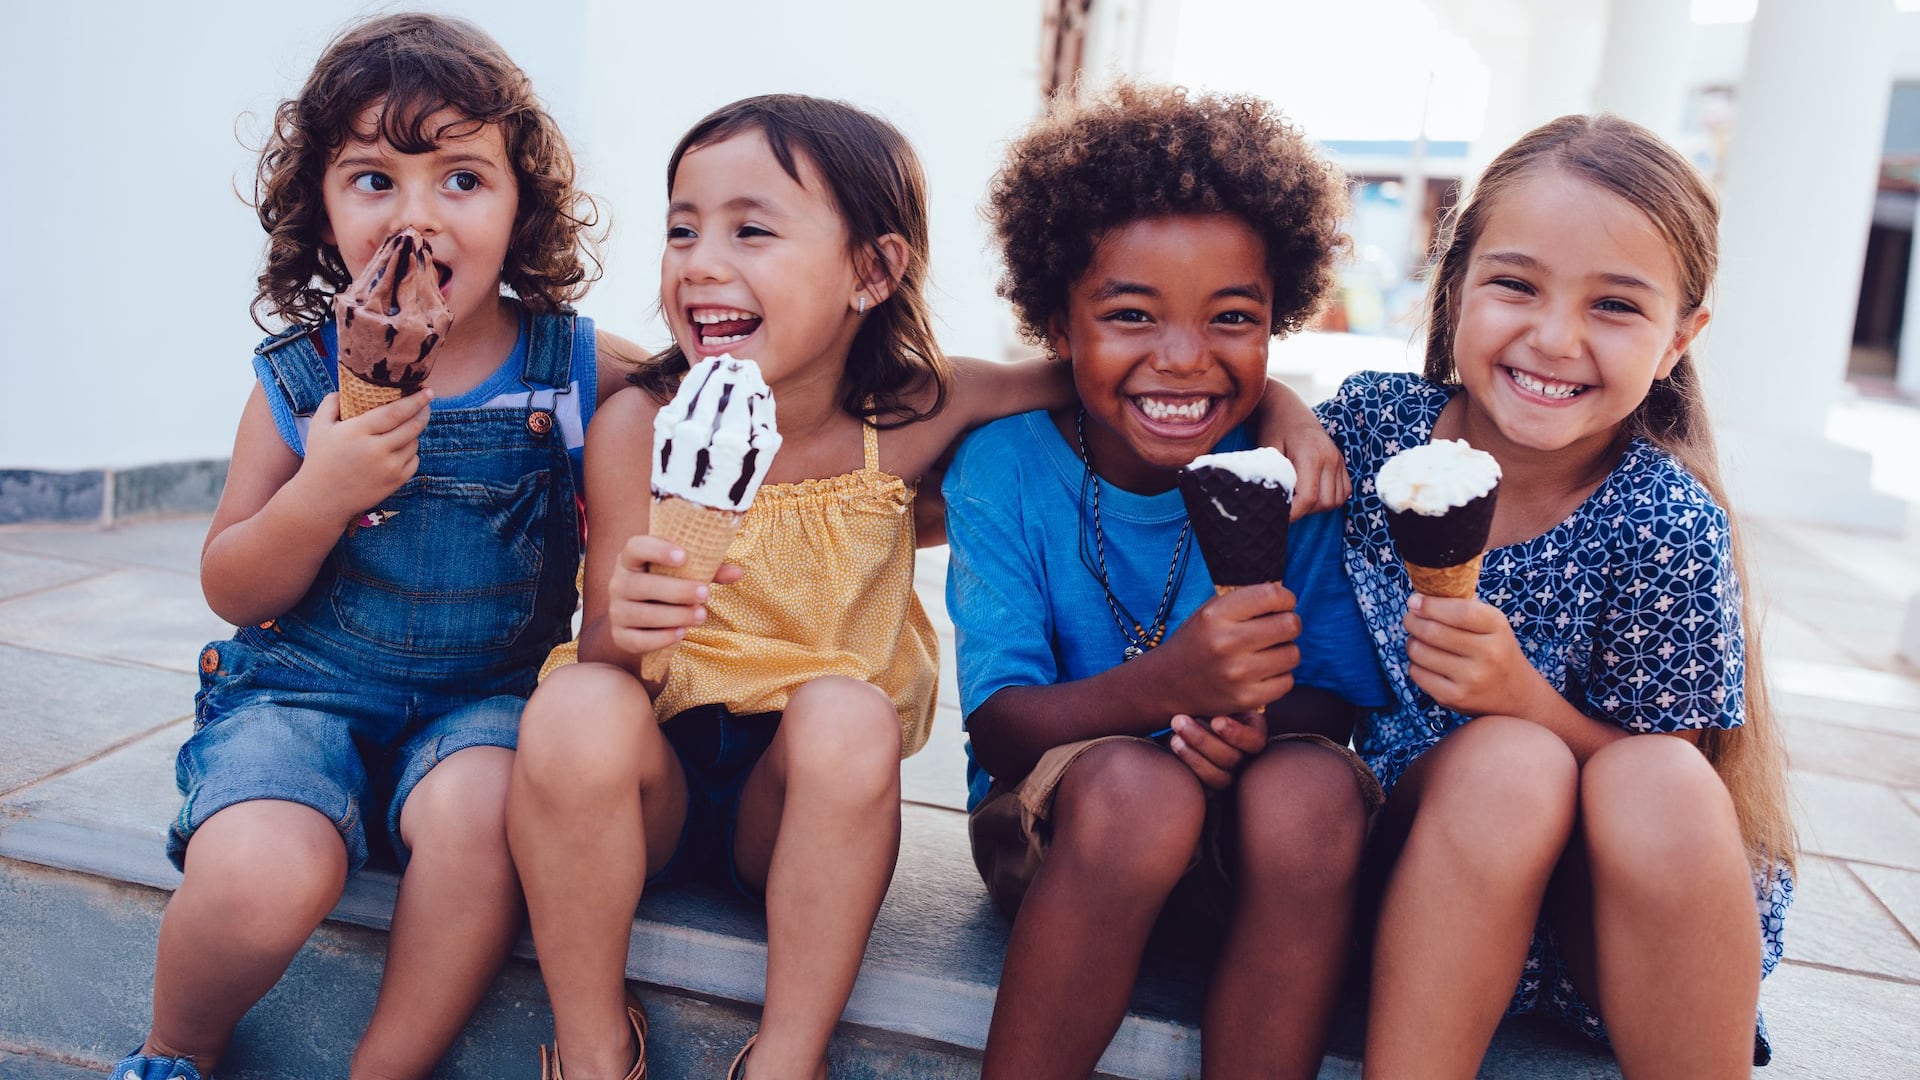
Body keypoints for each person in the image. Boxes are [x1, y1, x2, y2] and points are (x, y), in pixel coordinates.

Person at [505, 92, 1342, 1080]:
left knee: (849, 716)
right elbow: (608, 647)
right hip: (652, 790)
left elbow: (1113, 367)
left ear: (873, 271)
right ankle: (593, 1045)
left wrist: (1283, 404)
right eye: (682, 228)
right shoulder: (640, 427)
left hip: (803, 804)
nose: (701, 259)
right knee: (575, 703)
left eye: (751, 230)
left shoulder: (916, 414)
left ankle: (786, 1058)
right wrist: (622, 630)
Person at [117, 14, 643, 1080]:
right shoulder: (297, 379)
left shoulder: (571, 367)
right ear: (320, 203)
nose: (417, 214)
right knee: (265, 869)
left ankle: (385, 1068)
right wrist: (322, 493)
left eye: (460, 179)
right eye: (373, 178)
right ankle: (175, 1050)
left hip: (483, 706)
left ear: (520, 202)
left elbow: (713, 390)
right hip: (297, 695)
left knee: (488, 809)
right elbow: (232, 581)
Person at [1314, 114, 1796, 1078]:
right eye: (1516, 284)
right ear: (1453, 291)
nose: (1554, 336)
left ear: (1678, 341)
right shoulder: (1373, 431)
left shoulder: (1664, 519)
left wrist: (1523, 700)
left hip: (1597, 929)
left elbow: (1676, 785)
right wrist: (1285, 412)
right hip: (1406, 874)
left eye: (1615, 306)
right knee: (1506, 768)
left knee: (1641, 774)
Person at [944, 82, 1393, 1080]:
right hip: (1066, 832)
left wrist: (1249, 733)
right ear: (1059, 322)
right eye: (1133, 314)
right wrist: (1169, 690)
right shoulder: (1006, 469)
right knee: (1138, 793)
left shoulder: (1298, 478)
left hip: (1242, 845)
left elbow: (1329, 697)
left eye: (1232, 317)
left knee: (1319, 790)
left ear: (1281, 320)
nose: (1184, 358)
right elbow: (1001, 728)